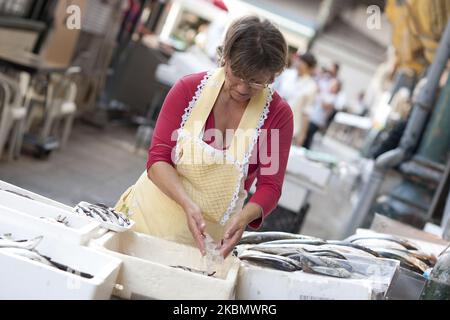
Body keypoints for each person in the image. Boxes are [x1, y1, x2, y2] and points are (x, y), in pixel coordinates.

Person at [114, 16, 293, 258]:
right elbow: (158, 159)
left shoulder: (276, 116)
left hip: (205, 243)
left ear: (272, 77)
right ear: (224, 57)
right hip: (147, 218)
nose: (242, 88)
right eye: (237, 74)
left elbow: (270, 185)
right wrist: (187, 204)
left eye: (255, 82)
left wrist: (244, 217)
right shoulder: (189, 90)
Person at [287, 52, 318, 146]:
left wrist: (302, 135)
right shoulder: (288, 75)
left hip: (291, 128)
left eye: (303, 63)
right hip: (272, 120)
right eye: (299, 61)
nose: (299, 64)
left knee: (275, 157)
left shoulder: (311, 86)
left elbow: (306, 112)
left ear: (309, 68)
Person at [302, 78, 340, 149]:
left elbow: (325, 105)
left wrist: (321, 95)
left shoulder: (334, 98)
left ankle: (306, 148)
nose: (331, 86)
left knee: (309, 135)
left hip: (318, 120)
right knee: (307, 134)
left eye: (334, 85)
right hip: (313, 116)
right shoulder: (326, 94)